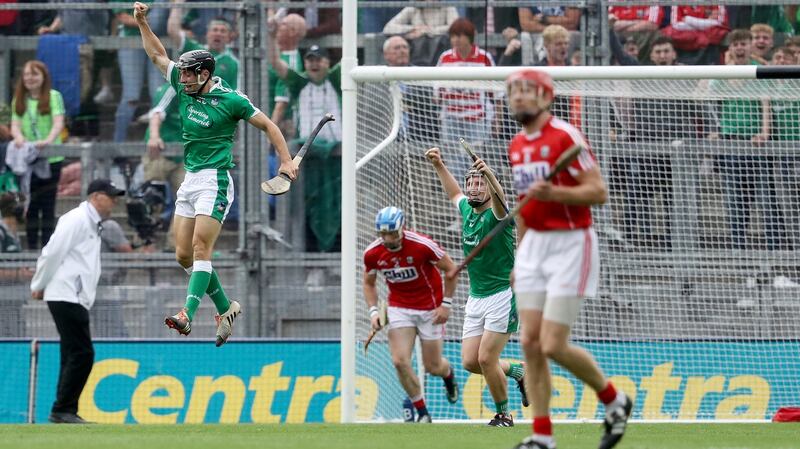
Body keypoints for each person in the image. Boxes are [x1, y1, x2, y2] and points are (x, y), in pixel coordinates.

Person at [133, 2, 296, 346]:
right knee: (182, 255)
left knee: (200, 249)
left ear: (205, 74)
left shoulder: (232, 100)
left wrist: (286, 160)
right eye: (184, 73)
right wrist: (142, 22)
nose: (183, 76)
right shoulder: (182, 82)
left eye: (190, 73)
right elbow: (158, 56)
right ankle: (226, 306)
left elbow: (268, 125)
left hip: (215, 179)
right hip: (190, 179)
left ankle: (186, 315)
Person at [504, 69, 632, 449]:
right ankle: (542, 436)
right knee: (528, 341)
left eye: (526, 92)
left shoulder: (565, 137)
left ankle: (613, 399)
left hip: (571, 243)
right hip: (534, 248)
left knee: (553, 344)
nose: (518, 99)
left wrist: (557, 193)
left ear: (546, 97)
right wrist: (520, 256)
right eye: (513, 93)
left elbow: (598, 192)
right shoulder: (516, 146)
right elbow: (525, 207)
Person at [425, 147, 527, 427]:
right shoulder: (467, 213)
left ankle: (504, 414)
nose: (472, 188)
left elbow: (501, 199)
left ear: (489, 189)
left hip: (503, 297)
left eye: (478, 183)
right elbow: (453, 194)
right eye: (470, 182)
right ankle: (518, 371)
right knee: (471, 362)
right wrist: (439, 165)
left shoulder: (497, 216)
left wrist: (490, 175)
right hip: (476, 297)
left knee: (486, 358)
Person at [30, 178, 125, 424]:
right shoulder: (75, 219)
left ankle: (62, 410)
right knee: (83, 353)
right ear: (95, 197)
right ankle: (63, 409)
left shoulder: (91, 223)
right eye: (110, 196)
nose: (114, 201)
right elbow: (52, 253)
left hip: (73, 295)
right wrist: (39, 285)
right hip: (66, 294)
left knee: (71, 353)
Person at [363, 206, 460, 423]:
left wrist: (446, 304)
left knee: (433, 366)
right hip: (399, 308)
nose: (388, 239)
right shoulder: (372, 253)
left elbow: (451, 269)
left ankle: (448, 374)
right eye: (383, 234)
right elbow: (369, 284)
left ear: (402, 228)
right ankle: (423, 412)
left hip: (430, 309)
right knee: (399, 361)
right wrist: (373, 312)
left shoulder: (422, 245)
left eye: (392, 233)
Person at [9, 60, 65, 250]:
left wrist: (48, 140)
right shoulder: (19, 98)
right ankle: (32, 249)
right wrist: (18, 138)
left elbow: (58, 122)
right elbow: (15, 125)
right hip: (28, 160)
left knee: (48, 206)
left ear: (43, 77)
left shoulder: (53, 96)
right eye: (26, 75)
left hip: (51, 159)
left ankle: (47, 249)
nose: (30, 79)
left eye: (34, 74)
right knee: (31, 207)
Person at [168, 0, 239, 89]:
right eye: (215, 30)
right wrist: (178, 3)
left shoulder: (233, 62)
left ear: (229, 37)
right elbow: (173, 31)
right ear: (207, 34)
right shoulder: (195, 50)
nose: (218, 33)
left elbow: (234, 92)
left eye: (223, 31)